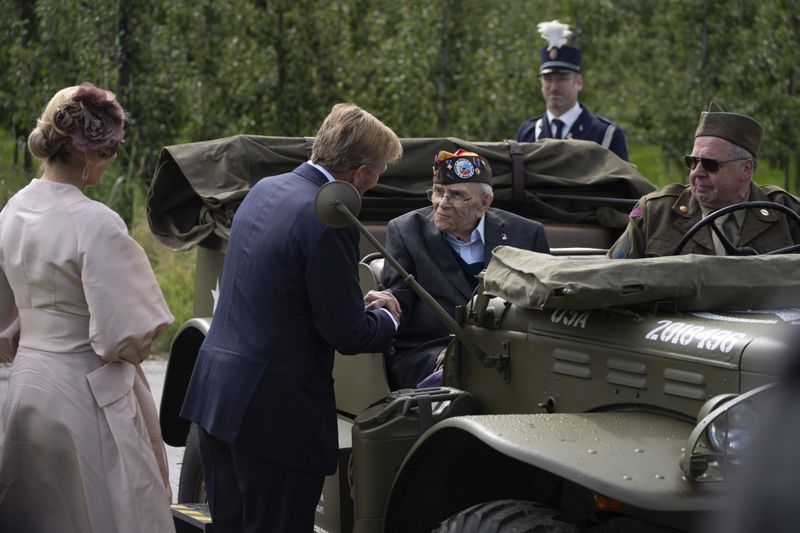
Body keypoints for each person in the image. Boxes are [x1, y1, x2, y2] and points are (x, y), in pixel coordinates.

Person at [180, 103, 403, 533]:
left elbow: (284, 293)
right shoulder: (331, 219)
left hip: (219, 397)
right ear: (358, 175)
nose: (376, 183)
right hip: (274, 419)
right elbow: (347, 332)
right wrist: (389, 318)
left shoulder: (265, 188)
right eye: (378, 173)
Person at [0, 83, 175, 532]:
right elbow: (127, 334)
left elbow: (5, 317)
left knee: (36, 510)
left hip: (26, 389)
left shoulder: (11, 212)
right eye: (113, 149)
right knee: (102, 511)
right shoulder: (95, 223)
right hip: (84, 391)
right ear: (90, 157)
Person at [378, 149, 550, 390]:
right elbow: (400, 297)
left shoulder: (526, 234)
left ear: (484, 203)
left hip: (510, 353)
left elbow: (542, 305)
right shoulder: (406, 231)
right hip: (432, 353)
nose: (441, 204)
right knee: (468, 370)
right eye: (437, 192)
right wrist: (385, 304)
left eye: (456, 195)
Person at [608, 102, 800, 258]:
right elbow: (613, 276)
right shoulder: (656, 213)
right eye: (692, 161)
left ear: (746, 168)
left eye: (710, 164)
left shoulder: (785, 212)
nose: (697, 172)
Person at [516, 20, 629, 161]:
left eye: (562, 79)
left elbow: (621, 182)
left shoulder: (605, 134)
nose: (554, 87)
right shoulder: (529, 132)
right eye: (548, 79)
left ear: (579, 82)